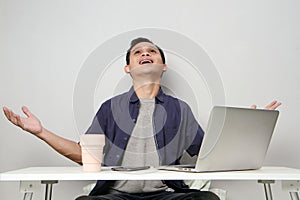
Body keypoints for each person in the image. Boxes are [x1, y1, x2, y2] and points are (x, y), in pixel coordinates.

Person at [3, 37, 281, 200]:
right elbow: (85, 156)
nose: (145, 53)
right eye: (138, 52)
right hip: (116, 196)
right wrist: (40, 131)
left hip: (167, 195)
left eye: (152, 52)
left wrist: (247, 127)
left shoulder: (180, 109)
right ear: (128, 68)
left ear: (163, 66)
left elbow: (207, 156)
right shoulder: (109, 108)